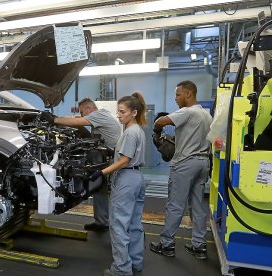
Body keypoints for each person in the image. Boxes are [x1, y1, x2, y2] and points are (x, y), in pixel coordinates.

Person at [149, 80, 212, 260]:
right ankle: (198, 245)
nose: (175, 98)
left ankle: (166, 244)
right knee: (198, 206)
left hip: (185, 164)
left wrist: (156, 128)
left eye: (178, 94)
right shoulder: (206, 115)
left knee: (175, 205)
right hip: (202, 163)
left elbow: (162, 121)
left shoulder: (187, 111)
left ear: (188, 94)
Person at [41, 98, 121, 231]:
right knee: (99, 190)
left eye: (83, 111)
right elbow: (77, 120)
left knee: (113, 193)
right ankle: (102, 222)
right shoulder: (99, 117)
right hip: (105, 160)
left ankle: (119, 227)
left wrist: (53, 119)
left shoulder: (99, 115)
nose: (82, 114)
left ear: (89, 109)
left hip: (113, 161)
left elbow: (77, 121)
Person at [90, 92, 147, 276]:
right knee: (134, 223)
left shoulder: (130, 133)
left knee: (118, 225)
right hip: (137, 178)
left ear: (134, 112)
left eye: (122, 112)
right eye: (118, 112)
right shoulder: (138, 129)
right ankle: (136, 262)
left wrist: (101, 172)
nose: (119, 115)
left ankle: (122, 269)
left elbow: (124, 160)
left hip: (126, 179)